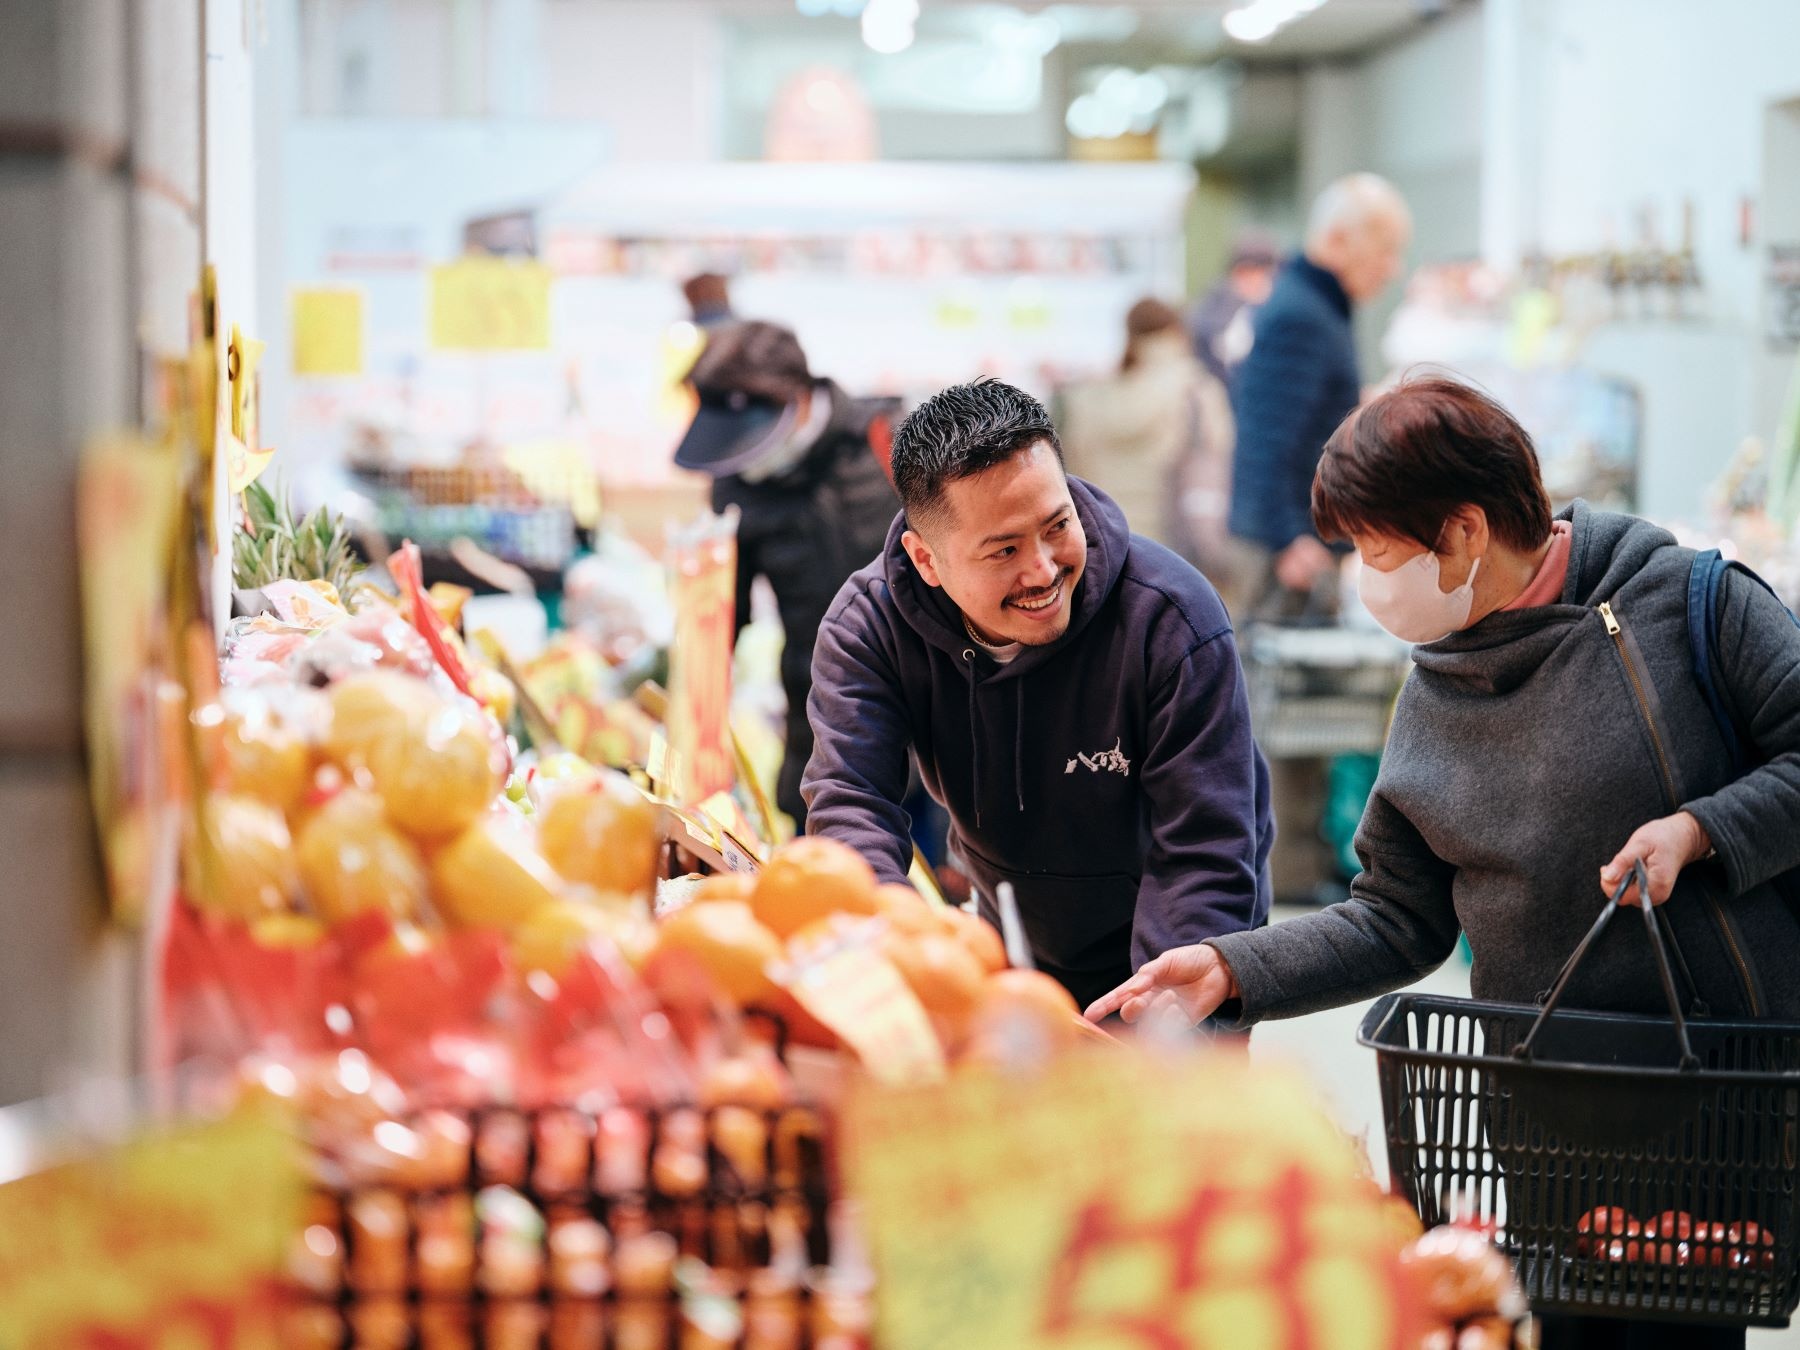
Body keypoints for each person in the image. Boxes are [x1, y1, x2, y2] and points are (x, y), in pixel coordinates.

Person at [1087, 374, 1800, 1350]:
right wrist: (1231, 968)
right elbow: (1395, 916)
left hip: (1718, 1095)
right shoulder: (1433, 696)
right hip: (1549, 1122)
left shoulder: (1692, 607)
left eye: (1377, 553)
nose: (1365, 582)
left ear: (1465, 533)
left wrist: (1701, 829)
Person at [801, 378, 1274, 1011]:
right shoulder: (870, 628)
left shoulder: (1171, 620)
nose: (1044, 570)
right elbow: (851, 803)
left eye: (1057, 525)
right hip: (1011, 940)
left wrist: (1159, 1024)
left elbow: (1204, 854)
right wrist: (903, 961)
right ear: (926, 560)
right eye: (1004, 550)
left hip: (1180, 948)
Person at [674, 320, 899, 831]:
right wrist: (684, 718)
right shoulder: (735, 483)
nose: (746, 462)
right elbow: (721, 620)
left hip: (932, 724)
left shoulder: (888, 443)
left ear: (799, 400)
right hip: (820, 724)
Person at [1229, 174, 1411, 620]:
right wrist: (1286, 537)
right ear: (1338, 238)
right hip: (1291, 551)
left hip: (1302, 537)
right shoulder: (1303, 314)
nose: (1393, 268)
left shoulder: (1317, 305)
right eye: (1386, 250)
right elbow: (1265, 436)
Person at [1058, 298, 1235, 574]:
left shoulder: (1089, 397)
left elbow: (1074, 468)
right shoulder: (1196, 391)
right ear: (1178, 332)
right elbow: (1218, 464)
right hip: (1175, 550)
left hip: (1106, 545)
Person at [1187, 234, 1278, 388]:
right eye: (1244, 272)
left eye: (1259, 273)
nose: (1253, 280)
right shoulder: (1212, 309)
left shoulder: (1281, 310)